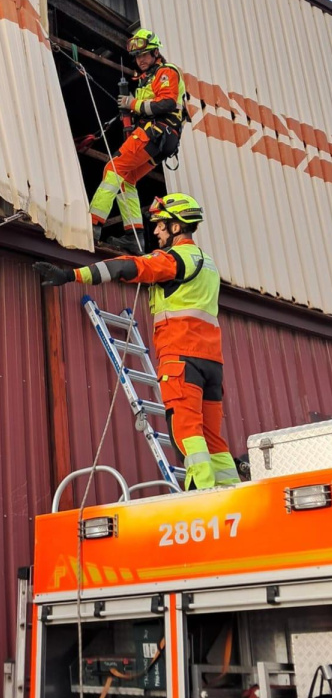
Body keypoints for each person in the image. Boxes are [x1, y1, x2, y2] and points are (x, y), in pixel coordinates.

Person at [34, 193, 240, 491]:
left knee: (186, 432)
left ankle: (202, 494)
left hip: (181, 359)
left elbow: (125, 267)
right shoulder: (207, 263)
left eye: (160, 225)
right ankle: (231, 492)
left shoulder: (174, 259)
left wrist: (71, 274)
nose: (155, 231)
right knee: (212, 438)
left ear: (176, 226)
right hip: (211, 364)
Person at [89, 29, 186, 255]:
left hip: (156, 133)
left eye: (144, 54)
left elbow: (167, 104)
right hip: (162, 140)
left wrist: (132, 104)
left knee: (113, 168)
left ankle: (93, 224)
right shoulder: (146, 80)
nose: (140, 60)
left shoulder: (166, 72)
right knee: (127, 180)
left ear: (155, 53)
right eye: (137, 56)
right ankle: (135, 237)